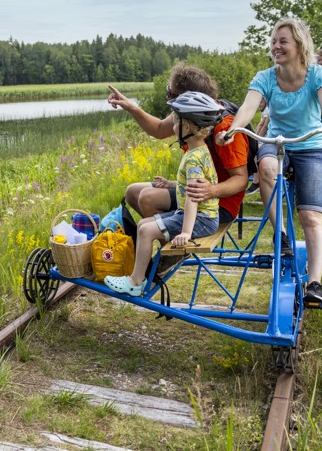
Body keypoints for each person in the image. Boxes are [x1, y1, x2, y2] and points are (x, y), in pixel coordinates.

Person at [216, 17, 322, 309]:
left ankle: (314, 284)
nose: (276, 46)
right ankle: (281, 234)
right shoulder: (266, 77)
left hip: (311, 146)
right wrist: (233, 129)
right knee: (265, 168)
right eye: (274, 41)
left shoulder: (318, 74)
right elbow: (248, 106)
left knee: (311, 217)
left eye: (283, 41)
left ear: (300, 45)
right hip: (278, 143)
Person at [104, 92, 222, 296]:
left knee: (146, 231)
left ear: (187, 128)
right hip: (202, 217)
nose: (173, 128)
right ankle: (140, 274)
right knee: (143, 224)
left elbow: (193, 197)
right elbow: (191, 184)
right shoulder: (199, 151)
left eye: (176, 123)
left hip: (201, 219)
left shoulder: (193, 158)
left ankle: (135, 282)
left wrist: (186, 232)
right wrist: (171, 184)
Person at [107, 62, 249, 227]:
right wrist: (131, 106)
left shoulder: (224, 127)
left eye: (171, 93)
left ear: (190, 99)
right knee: (132, 192)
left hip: (217, 204)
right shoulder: (189, 116)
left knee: (147, 198)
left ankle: (174, 249)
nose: (168, 98)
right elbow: (159, 129)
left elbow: (241, 180)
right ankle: (167, 235)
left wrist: (211, 190)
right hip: (193, 189)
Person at [246, 98, 269, 195]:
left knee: (256, 149)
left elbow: (264, 125)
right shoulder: (266, 110)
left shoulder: (269, 109)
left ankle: (256, 181)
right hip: (266, 138)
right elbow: (260, 125)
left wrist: (256, 139)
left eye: (261, 101)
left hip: (270, 139)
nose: (259, 104)